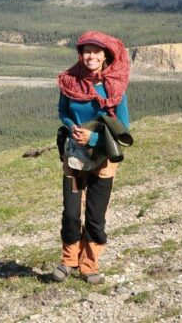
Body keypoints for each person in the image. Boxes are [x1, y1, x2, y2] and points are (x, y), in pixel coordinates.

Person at [52, 31, 131, 284]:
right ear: (80, 53)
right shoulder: (70, 82)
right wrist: (71, 126)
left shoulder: (115, 87)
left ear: (105, 55)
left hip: (103, 160)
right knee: (72, 213)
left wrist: (93, 139)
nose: (91, 56)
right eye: (87, 51)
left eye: (97, 52)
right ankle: (68, 261)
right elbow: (63, 111)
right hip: (74, 158)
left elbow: (124, 127)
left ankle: (89, 264)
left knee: (96, 216)